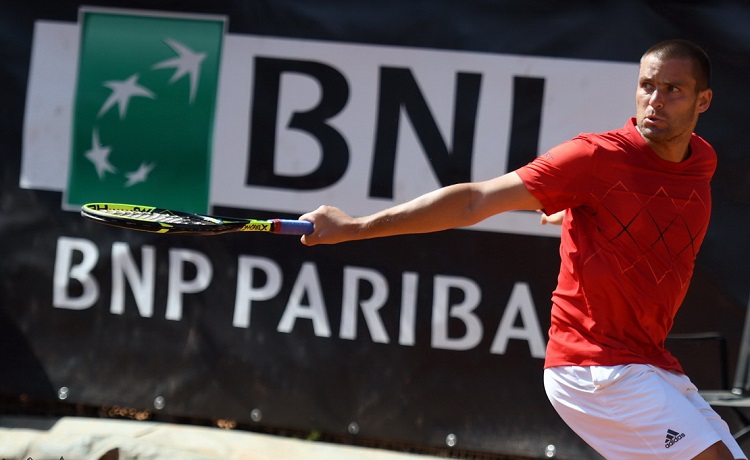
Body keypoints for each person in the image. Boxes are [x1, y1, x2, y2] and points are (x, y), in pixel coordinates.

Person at [298, 39, 745, 459]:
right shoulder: (592, 158)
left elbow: (643, 210)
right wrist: (355, 227)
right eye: (647, 86)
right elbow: (475, 199)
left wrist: (578, 213)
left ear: (702, 101)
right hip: (593, 367)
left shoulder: (701, 161)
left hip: (650, 362)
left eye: (673, 90)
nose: (655, 101)